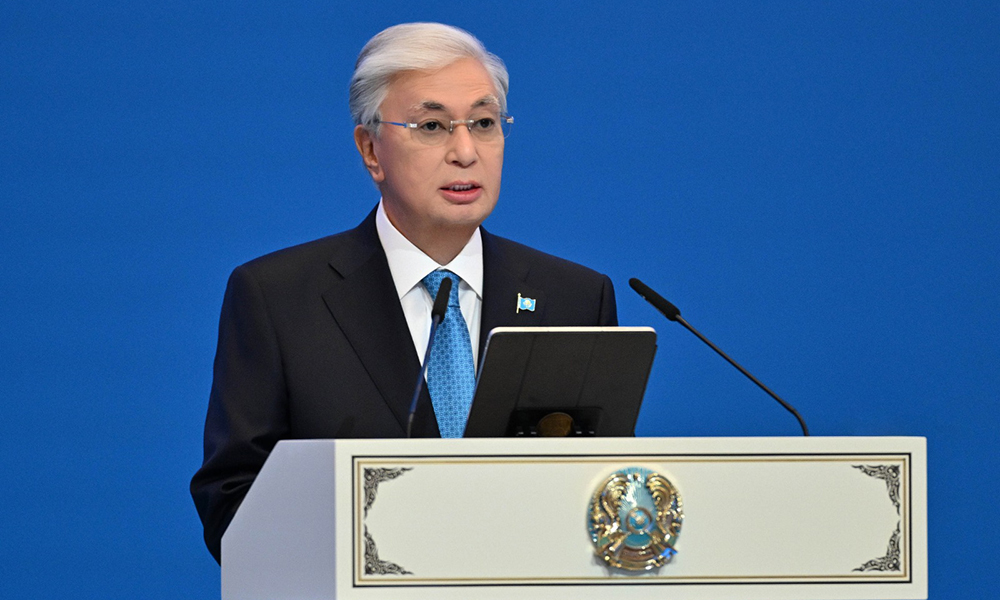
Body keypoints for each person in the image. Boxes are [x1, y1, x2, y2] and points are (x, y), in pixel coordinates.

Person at [190, 22, 617, 564]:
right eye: (432, 126)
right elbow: (234, 506)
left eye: (484, 123)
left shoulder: (575, 298)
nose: (466, 151)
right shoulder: (277, 298)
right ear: (371, 150)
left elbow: (600, 493)